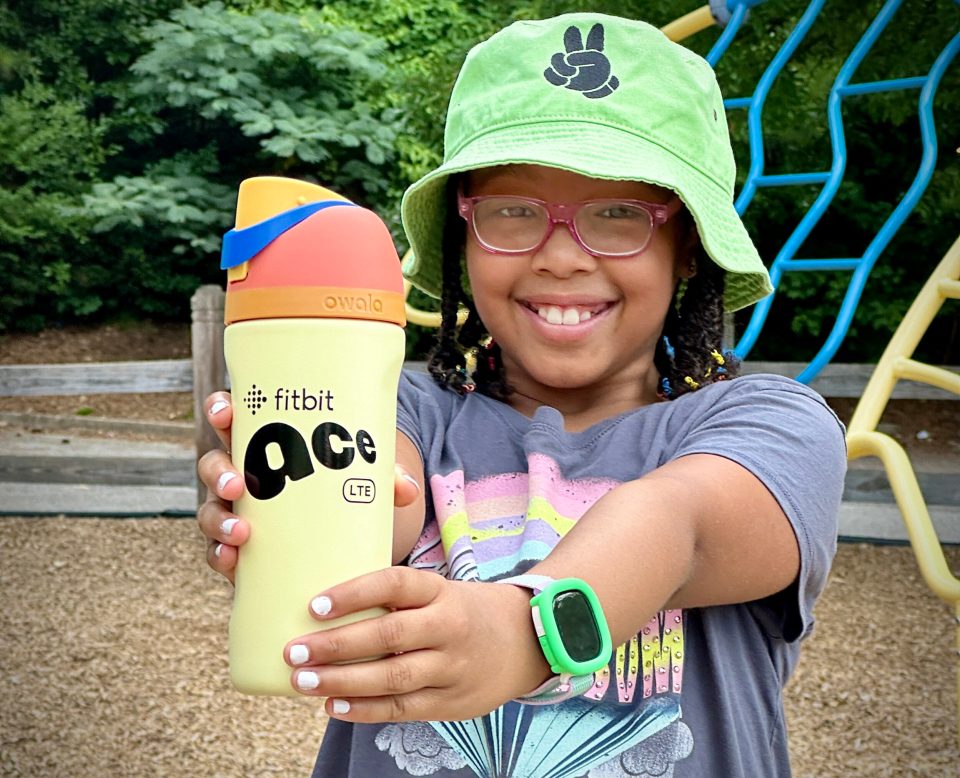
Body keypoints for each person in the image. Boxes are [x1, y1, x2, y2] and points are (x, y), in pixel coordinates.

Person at [196, 13, 845, 777]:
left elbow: (677, 522)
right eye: (513, 211)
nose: (562, 256)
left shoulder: (772, 426)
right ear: (464, 240)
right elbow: (370, 504)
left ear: (689, 253)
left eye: (618, 215)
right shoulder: (409, 412)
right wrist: (287, 500)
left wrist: (525, 631)